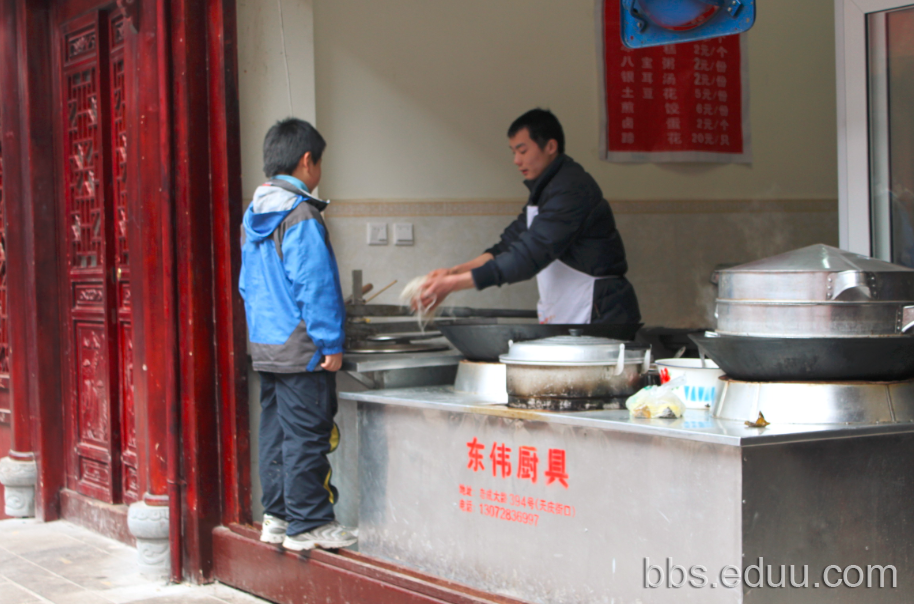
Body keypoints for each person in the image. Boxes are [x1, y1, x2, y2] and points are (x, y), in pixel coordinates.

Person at [238, 118, 356, 551]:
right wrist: (330, 343)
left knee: (276, 432)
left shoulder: (252, 217)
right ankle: (310, 524)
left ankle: (278, 517)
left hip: (267, 346)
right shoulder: (300, 212)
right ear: (308, 161)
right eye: (320, 162)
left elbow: (247, 286)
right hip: (303, 348)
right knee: (309, 434)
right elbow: (315, 285)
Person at [418, 109, 640, 324]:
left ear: (550, 146)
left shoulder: (571, 189)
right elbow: (507, 247)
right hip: (573, 309)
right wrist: (453, 272)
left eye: (522, 151)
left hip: (600, 312)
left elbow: (528, 256)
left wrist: (453, 284)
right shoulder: (545, 191)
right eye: (513, 152)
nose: (516, 160)